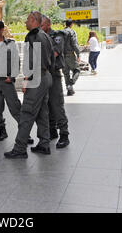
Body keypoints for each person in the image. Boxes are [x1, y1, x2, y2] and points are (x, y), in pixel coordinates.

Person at [4, 11, 55, 159]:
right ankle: (44, 144)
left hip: (36, 78)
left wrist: (26, 80)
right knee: (42, 112)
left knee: (26, 113)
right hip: (46, 77)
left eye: (27, 20)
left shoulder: (32, 36)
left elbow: (30, 62)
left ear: (33, 20)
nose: (25, 22)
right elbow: (51, 57)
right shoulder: (45, 35)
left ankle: (20, 148)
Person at [0, 20, 33, 144]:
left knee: (15, 108)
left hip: (7, 82)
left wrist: (12, 77)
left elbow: (16, 61)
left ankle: (24, 134)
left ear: (2, 30)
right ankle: (2, 130)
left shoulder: (10, 44)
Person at [41, 15, 70, 149]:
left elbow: (55, 52)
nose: (40, 28)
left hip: (53, 74)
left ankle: (64, 134)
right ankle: (52, 131)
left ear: (48, 25)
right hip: (42, 74)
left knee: (57, 104)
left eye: (42, 25)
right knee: (46, 105)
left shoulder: (57, 35)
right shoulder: (39, 37)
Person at [63, 19, 80, 96]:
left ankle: (70, 91)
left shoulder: (61, 32)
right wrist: (78, 54)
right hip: (70, 55)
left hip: (62, 56)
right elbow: (74, 44)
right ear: (71, 24)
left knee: (66, 73)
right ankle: (71, 83)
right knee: (77, 70)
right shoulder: (71, 32)